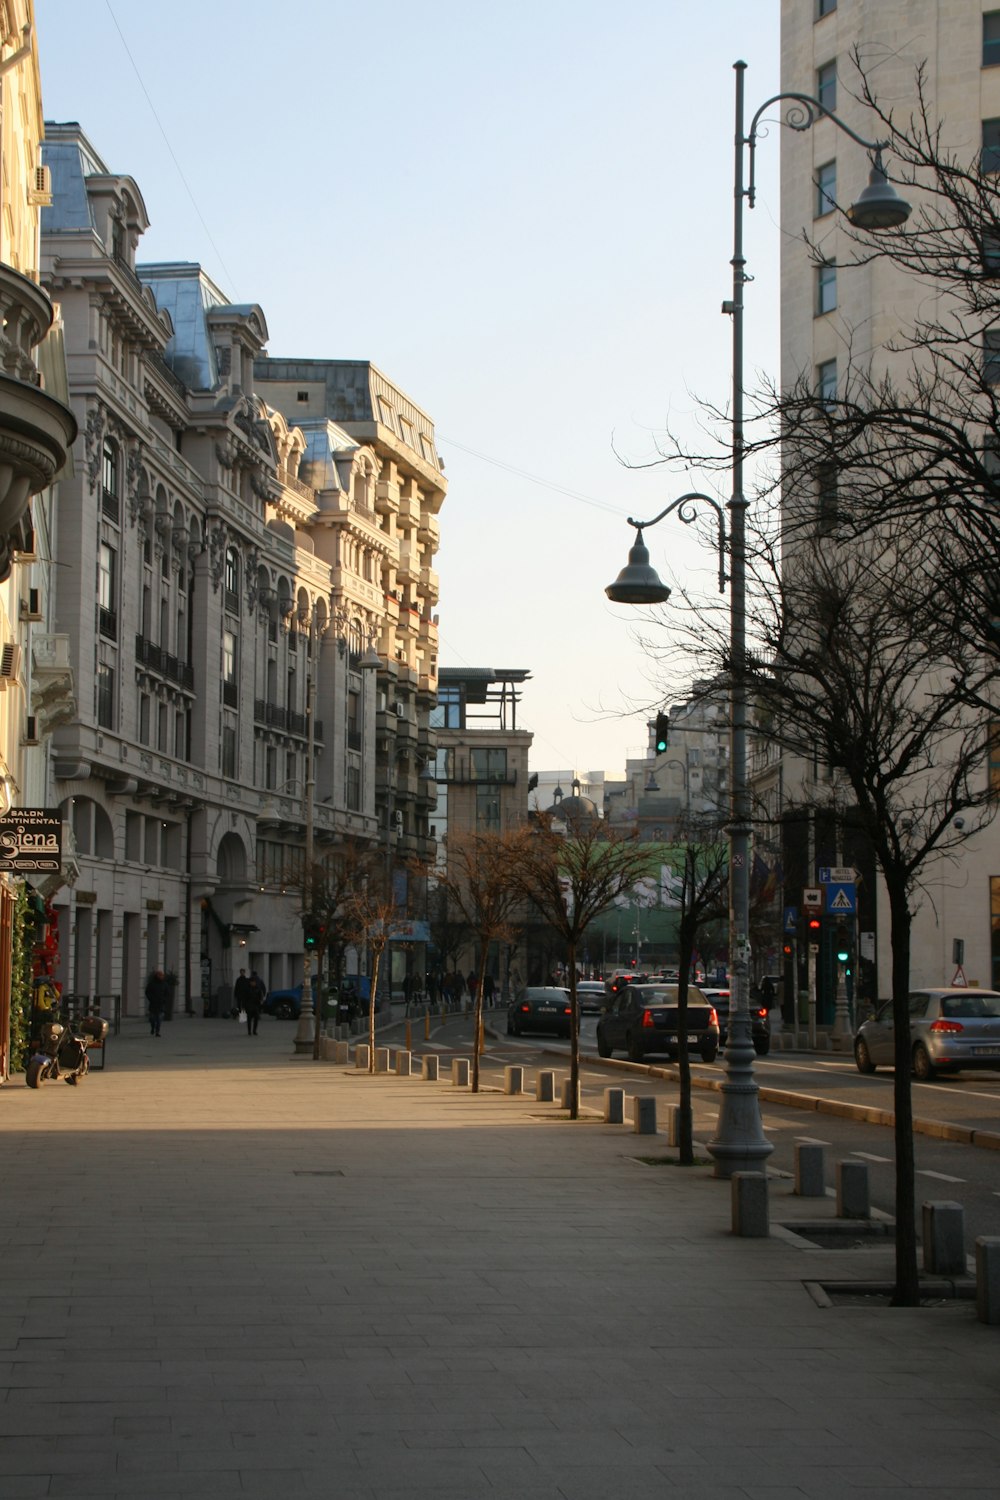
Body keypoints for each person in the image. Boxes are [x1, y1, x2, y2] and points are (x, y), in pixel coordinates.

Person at [145, 968, 170, 1037]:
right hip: (153, 1004)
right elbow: (147, 992)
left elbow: (167, 993)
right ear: (157, 976)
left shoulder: (165, 984)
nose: (161, 976)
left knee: (159, 1018)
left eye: (162, 975)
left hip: (161, 1004)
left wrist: (164, 1000)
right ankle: (153, 1027)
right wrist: (151, 999)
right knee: (152, 1018)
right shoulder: (152, 984)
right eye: (160, 975)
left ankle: (157, 1031)